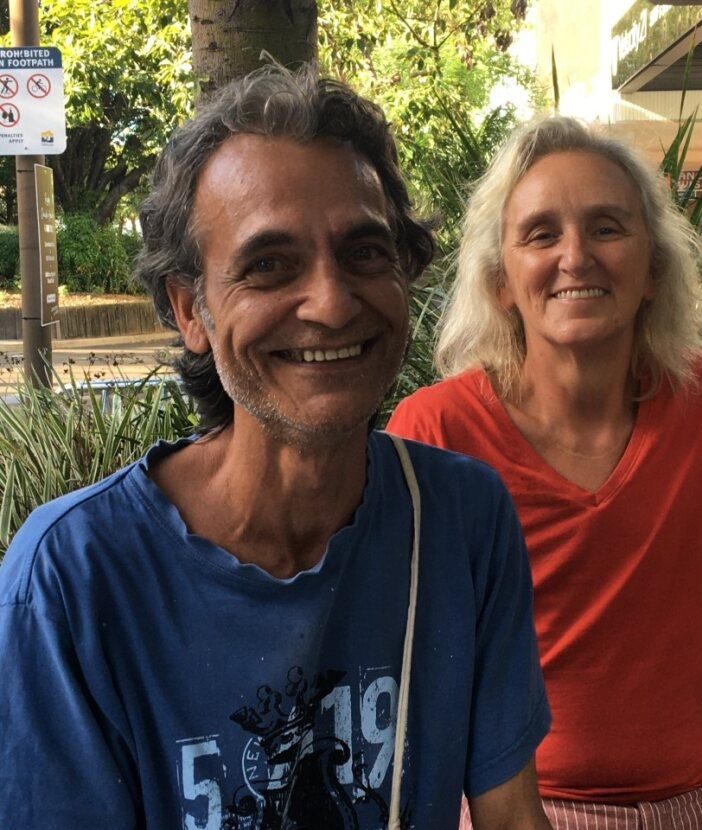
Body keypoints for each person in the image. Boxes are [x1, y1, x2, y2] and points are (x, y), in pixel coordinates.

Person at [0, 65, 552, 830]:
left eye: (365, 253)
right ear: (192, 311)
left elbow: (512, 814)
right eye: (269, 265)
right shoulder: (73, 579)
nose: (330, 303)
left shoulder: (461, 521)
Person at [388, 115, 702, 828]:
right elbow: (413, 684)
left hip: (701, 807)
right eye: (541, 234)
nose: (575, 256)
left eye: (607, 227)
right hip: (512, 811)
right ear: (501, 281)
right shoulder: (435, 434)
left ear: (655, 268)